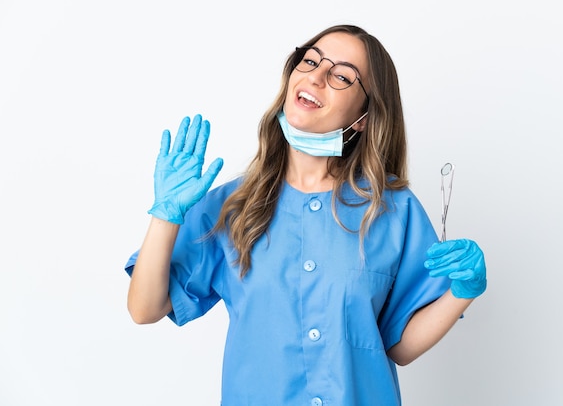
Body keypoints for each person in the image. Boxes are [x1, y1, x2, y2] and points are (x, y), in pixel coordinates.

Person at [125, 24, 487, 406]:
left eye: (342, 76)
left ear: (363, 118)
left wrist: (463, 292)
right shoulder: (233, 205)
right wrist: (165, 216)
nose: (316, 75)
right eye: (310, 60)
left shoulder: (392, 208)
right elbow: (145, 308)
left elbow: (401, 348)